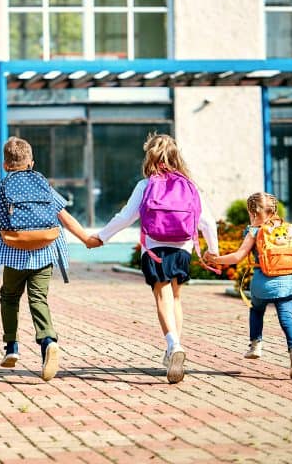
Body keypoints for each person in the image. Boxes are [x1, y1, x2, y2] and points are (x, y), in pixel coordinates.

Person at [87, 133, 218, 384]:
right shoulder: (191, 186)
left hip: (156, 248)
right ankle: (173, 349)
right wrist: (213, 251)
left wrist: (102, 237)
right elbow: (208, 222)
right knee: (176, 296)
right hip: (182, 247)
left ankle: (173, 345)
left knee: (162, 295)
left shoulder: (146, 185)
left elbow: (126, 217)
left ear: (150, 157)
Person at [0, 137, 89, 382]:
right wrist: (87, 239)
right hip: (45, 250)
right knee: (38, 298)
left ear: (5, 164)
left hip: (15, 251)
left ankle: (12, 347)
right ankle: (48, 341)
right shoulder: (44, 185)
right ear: (31, 162)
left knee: (9, 297)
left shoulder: (0, 188)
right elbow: (65, 217)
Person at [204, 192, 292, 379]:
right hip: (287, 280)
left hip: (263, 282)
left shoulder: (254, 231)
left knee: (256, 310)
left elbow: (238, 256)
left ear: (252, 212)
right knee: (286, 318)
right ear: (274, 210)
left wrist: (216, 259)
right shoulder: (288, 229)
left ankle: (256, 345)